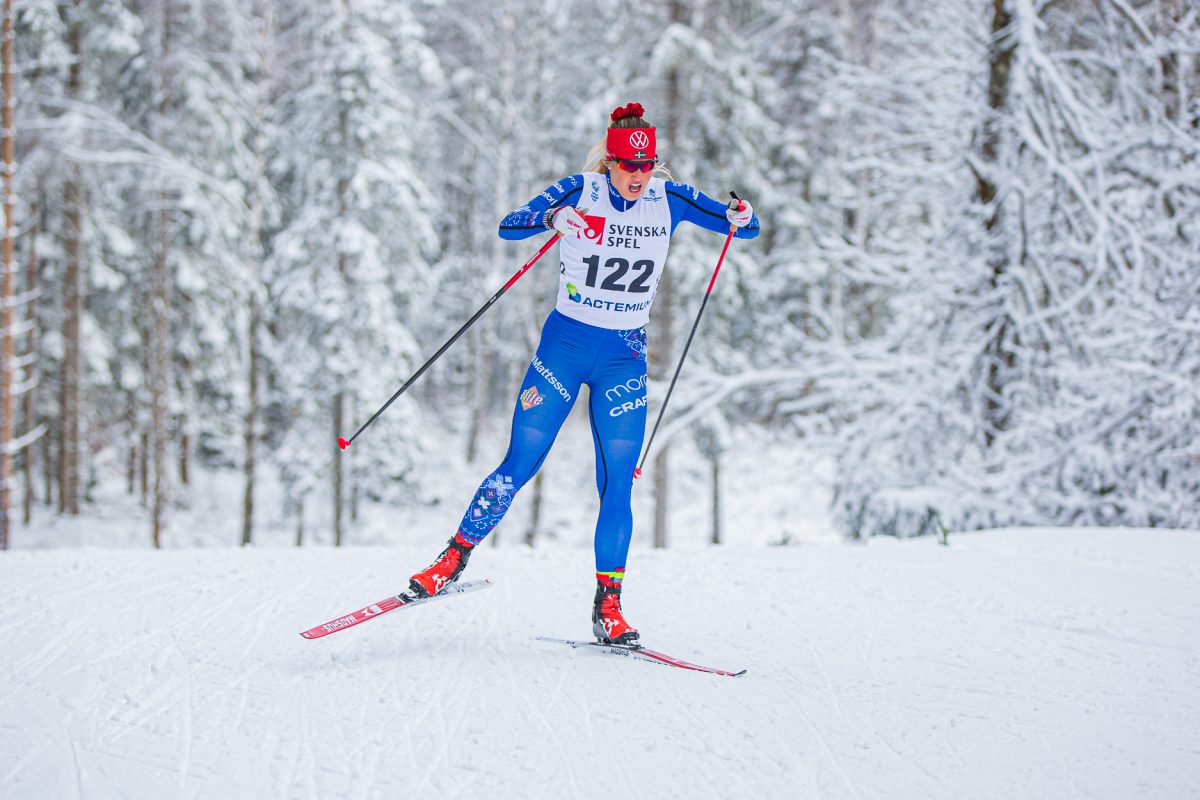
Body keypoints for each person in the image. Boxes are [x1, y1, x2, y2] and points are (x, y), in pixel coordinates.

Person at [408, 102, 760, 644]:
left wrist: (741, 214)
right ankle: (449, 561)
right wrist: (553, 217)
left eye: (647, 167)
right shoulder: (581, 191)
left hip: (624, 357)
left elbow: (746, 226)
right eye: (627, 166)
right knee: (518, 464)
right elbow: (509, 225)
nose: (638, 177)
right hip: (565, 349)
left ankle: (609, 607)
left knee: (617, 484)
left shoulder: (671, 200)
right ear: (610, 163)